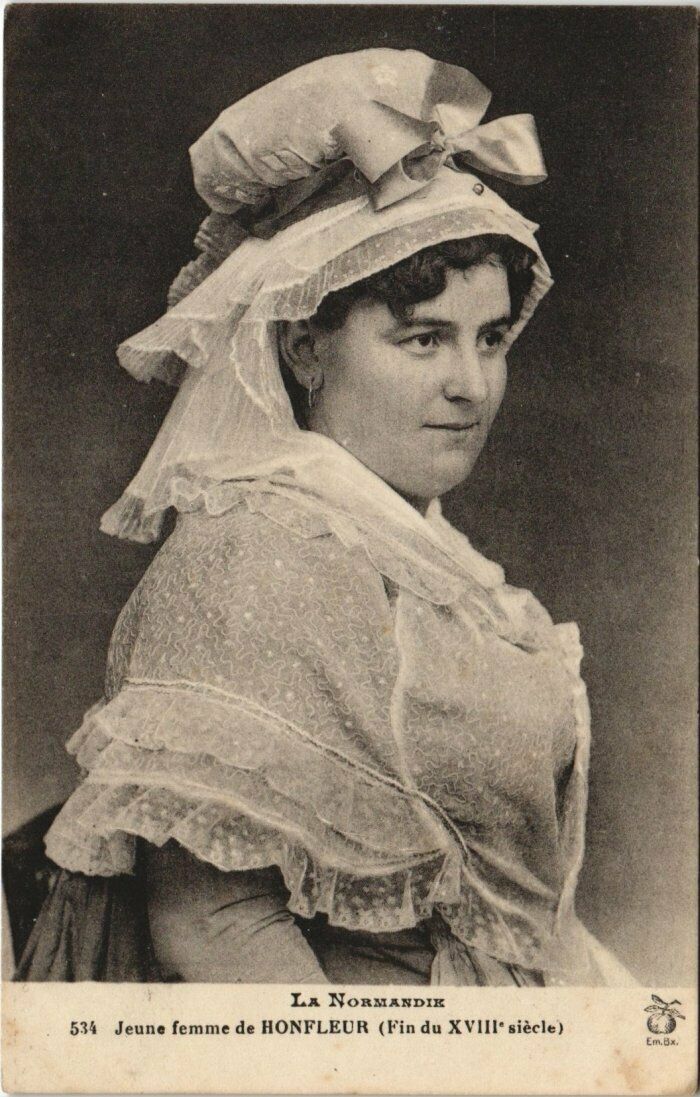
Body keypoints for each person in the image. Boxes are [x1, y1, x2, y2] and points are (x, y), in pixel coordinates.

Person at [15, 49, 635, 986]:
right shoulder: (254, 549)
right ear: (305, 347)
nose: (471, 386)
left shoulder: (432, 563)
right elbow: (212, 924)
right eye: (423, 339)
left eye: (490, 339)